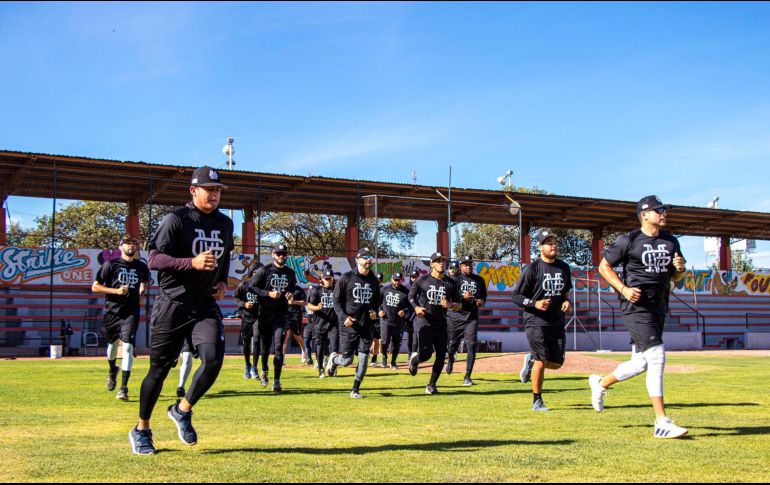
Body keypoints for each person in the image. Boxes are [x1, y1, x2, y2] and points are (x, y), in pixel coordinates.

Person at [128, 166, 234, 455]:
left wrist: (222, 281)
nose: (214, 194)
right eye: (208, 189)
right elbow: (154, 260)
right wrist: (191, 263)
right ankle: (141, 429)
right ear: (193, 190)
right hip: (172, 304)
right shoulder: (177, 220)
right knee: (159, 371)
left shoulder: (225, 224)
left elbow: (225, 257)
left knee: (213, 360)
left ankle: (182, 410)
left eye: (217, 190)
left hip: (205, 306)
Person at [590, 195, 688, 439]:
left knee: (640, 363)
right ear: (644, 214)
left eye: (664, 209)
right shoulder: (629, 240)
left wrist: (680, 270)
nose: (664, 213)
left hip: (659, 305)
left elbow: (675, 278)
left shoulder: (671, 241)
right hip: (636, 306)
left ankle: (600, 383)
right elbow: (603, 267)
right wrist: (623, 289)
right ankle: (661, 422)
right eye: (659, 210)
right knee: (656, 356)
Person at [512, 231, 572, 411]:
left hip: (556, 320)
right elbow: (516, 297)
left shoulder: (564, 267)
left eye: (554, 242)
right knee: (542, 360)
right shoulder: (532, 269)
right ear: (540, 247)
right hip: (535, 320)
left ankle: (530, 360)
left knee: (557, 363)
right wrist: (534, 303)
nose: (552, 246)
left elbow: (566, 292)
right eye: (548, 243)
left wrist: (567, 301)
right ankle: (537, 401)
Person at [92, 234, 150, 401]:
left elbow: (144, 282)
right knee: (112, 346)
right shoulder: (110, 265)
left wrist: (141, 294)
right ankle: (112, 370)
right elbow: (95, 287)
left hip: (131, 312)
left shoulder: (141, 266)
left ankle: (124, 388)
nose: (131, 245)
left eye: (134, 243)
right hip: (112, 312)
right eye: (127, 243)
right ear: (120, 247)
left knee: (128, 347)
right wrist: (116, 291)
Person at [325, 248, 381, 398]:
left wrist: (375, 312)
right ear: (358, 259)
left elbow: (376, 301)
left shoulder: (374, 280)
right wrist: (344, 318)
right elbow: (335, 301)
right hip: (349, 326)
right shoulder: (346, 278)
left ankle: (355, 389)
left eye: (370, 257)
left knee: (363, 359)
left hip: (366, 326)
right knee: (347, 360)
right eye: (365, 257)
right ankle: (335, 360)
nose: (368, 260)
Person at [407, 251, 460, 395]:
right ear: (431, 264)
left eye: (443, 260)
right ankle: (415, 360)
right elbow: (411, 296)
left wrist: (449, 305)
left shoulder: (451, 283)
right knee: (426, 354)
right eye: (438, 261)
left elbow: (459, 305)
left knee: (442, 355)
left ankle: (431, 385)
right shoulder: (422, 280)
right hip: (424, 321)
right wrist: (416, 307)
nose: (442, 263)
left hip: (441, 323)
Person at [250, 244, 298, 392]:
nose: (281, 256)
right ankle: (264, 370)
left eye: (283, 254)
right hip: (265, 314)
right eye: (278, 254)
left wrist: (290, 293)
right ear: (273, 255)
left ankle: (277, 381)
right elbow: (251, 286)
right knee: (265, 347)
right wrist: (267, 294)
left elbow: (292, 288)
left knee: (278, 347)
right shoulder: (265, 270)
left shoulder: (290, 272)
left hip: (281, 314)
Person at [446, 255, 487, 386]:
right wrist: (462, 297)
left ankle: (467, 376)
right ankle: (451, 359)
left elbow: (484, 297)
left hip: (471, 317)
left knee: (471, 345)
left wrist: (481, 301)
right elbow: (449, 300)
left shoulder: (479, 280)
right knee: (452, 345)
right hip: (455, 317)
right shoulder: (454, 280)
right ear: (460, 266)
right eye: (465, 264)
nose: (468, 266)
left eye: (469, 264)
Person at [306, 269, 338, 378]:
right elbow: (309, 305)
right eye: (327, 279)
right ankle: (320, 368)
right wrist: (317, 307)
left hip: (334, 323)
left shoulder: (337, 290)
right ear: (322, 280)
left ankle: (332, 367)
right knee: (319, 347)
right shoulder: (317, 291)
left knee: (334, 347)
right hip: (320, 323)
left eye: (331, 279)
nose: (329, 281)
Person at [378, 272, 412, 369]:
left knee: (396, 344)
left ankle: (393, 362)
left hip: (398, 322)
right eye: (395, 280)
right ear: (391, 279)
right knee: (384, 342)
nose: (397, 282)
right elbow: (376, 302)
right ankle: (384, 357)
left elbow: (410, 306)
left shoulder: (406, 291)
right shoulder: (384, 289)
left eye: (399, 280)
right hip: (385, 320)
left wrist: (404, 311)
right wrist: (379, 311)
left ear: (402, 280)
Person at [233, 266, 261, 379]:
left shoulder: (263, 287)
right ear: (250, 274)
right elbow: (235, 298)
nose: (257, 275)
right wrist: (244, 305)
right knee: (246, 343)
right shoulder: (243, 286)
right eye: (255, 273)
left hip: (258, 318)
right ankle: (247, 365)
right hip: (246, 317)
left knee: (257, 340)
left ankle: (254, 367)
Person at [404, 270, 420, 356]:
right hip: (408, 315)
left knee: (416, 334)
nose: (414, 278)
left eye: (415, 277)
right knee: (410, 335)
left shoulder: (421, 286)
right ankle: (410, 353)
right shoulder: (406, 287)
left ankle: (415, 353)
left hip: (418, 314)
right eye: (412, 277)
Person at [370, 272, 384, 367]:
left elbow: (385, 304)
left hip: (378, 318)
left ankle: (374, 357)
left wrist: (382, 311)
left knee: (376, 339)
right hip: (369, 316)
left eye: (379, 281)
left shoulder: (384, 290)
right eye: (377, 281)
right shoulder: (371, 288)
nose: (378, 282)